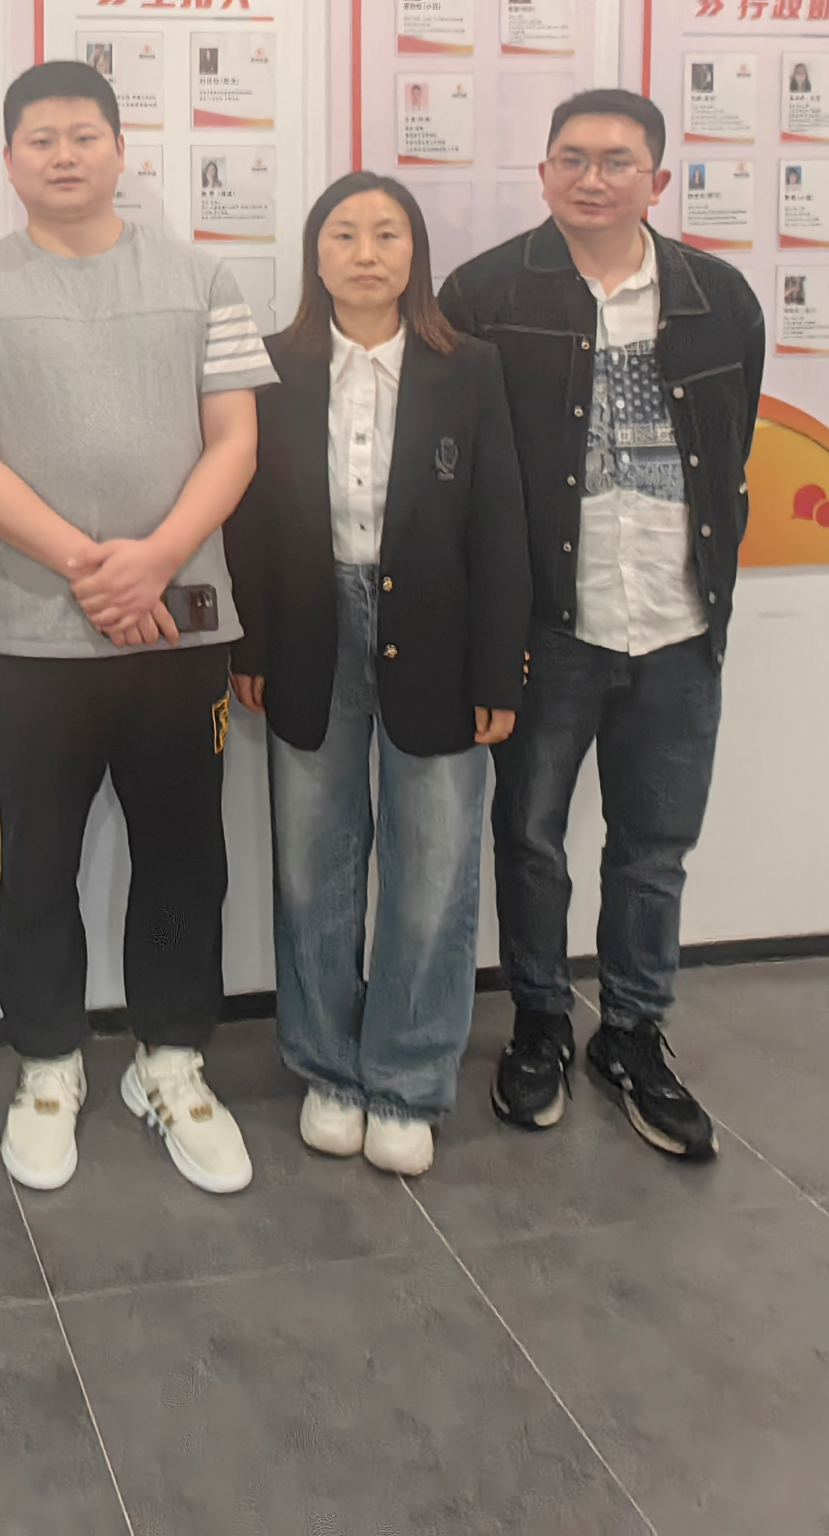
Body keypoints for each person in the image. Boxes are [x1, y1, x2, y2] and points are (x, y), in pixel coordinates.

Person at [0, 61, 274, 1196]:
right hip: (33, 631)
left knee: (184, 853)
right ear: (8, 160)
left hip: (183, 626)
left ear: (121, 150)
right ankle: (48, 1063)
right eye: (39, 138)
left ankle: (170, 1062)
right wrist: (89, 565)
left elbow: (235, 442)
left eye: (83, 135)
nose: (62, 155)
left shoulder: (201, 279)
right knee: (35, 859)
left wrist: (156, 559)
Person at [439, 90, 764, 1160]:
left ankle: (631, 1031)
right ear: (541, 173)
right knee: (529, 836)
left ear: (656, 181)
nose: (592, 177)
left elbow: (732, 451)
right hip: (549, 624)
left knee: (653, 847)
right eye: (571, 158)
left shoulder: (718, 297)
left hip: (677, 621)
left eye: (617, 161)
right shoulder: (484, 293)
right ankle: (538, 1018)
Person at [225, 173, 529, 1177]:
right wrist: (249, 647)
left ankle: (405, 1079)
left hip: (437, 636)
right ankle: (326, 1067)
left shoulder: (466, 367)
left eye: (387, 234)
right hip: (308, 631)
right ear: (314, 255)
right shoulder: (273, 366)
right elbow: (248, 520)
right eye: (344, 234)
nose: (365, 252)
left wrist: (499, 668)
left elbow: (500, 523)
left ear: (415, 255)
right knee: (311, 865)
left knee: (431, 869)